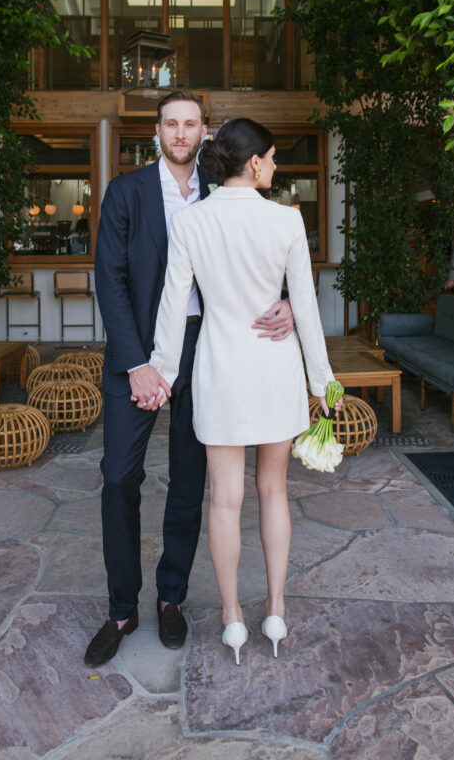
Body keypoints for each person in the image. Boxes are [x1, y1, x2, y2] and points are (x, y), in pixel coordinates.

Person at [85, 93, 294, 667]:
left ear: (205, 132)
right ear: (157, 131)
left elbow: (264, 256)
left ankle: (171, 597)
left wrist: (291, 306)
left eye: (190, 124)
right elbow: (111, 281)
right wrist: (139, 362)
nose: (180, 133)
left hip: (209, 354)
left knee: (188, 478)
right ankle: (121, 609)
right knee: (118, 479)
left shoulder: (224, 187)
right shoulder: (126, 192)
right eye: (170, 123)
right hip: (137, 359)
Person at [141, 118, 342, 665]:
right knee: (273, 491)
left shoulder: (192, 222)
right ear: (253, 163)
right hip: (275, 368)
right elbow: (304, 306)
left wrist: (162, 371)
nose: (275, 167)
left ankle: (232, 617)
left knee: (223, 500)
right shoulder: (286, 221)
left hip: (219, 370)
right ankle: (274, 608)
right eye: (273, 158)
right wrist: (324, 383)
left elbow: (170, 306)